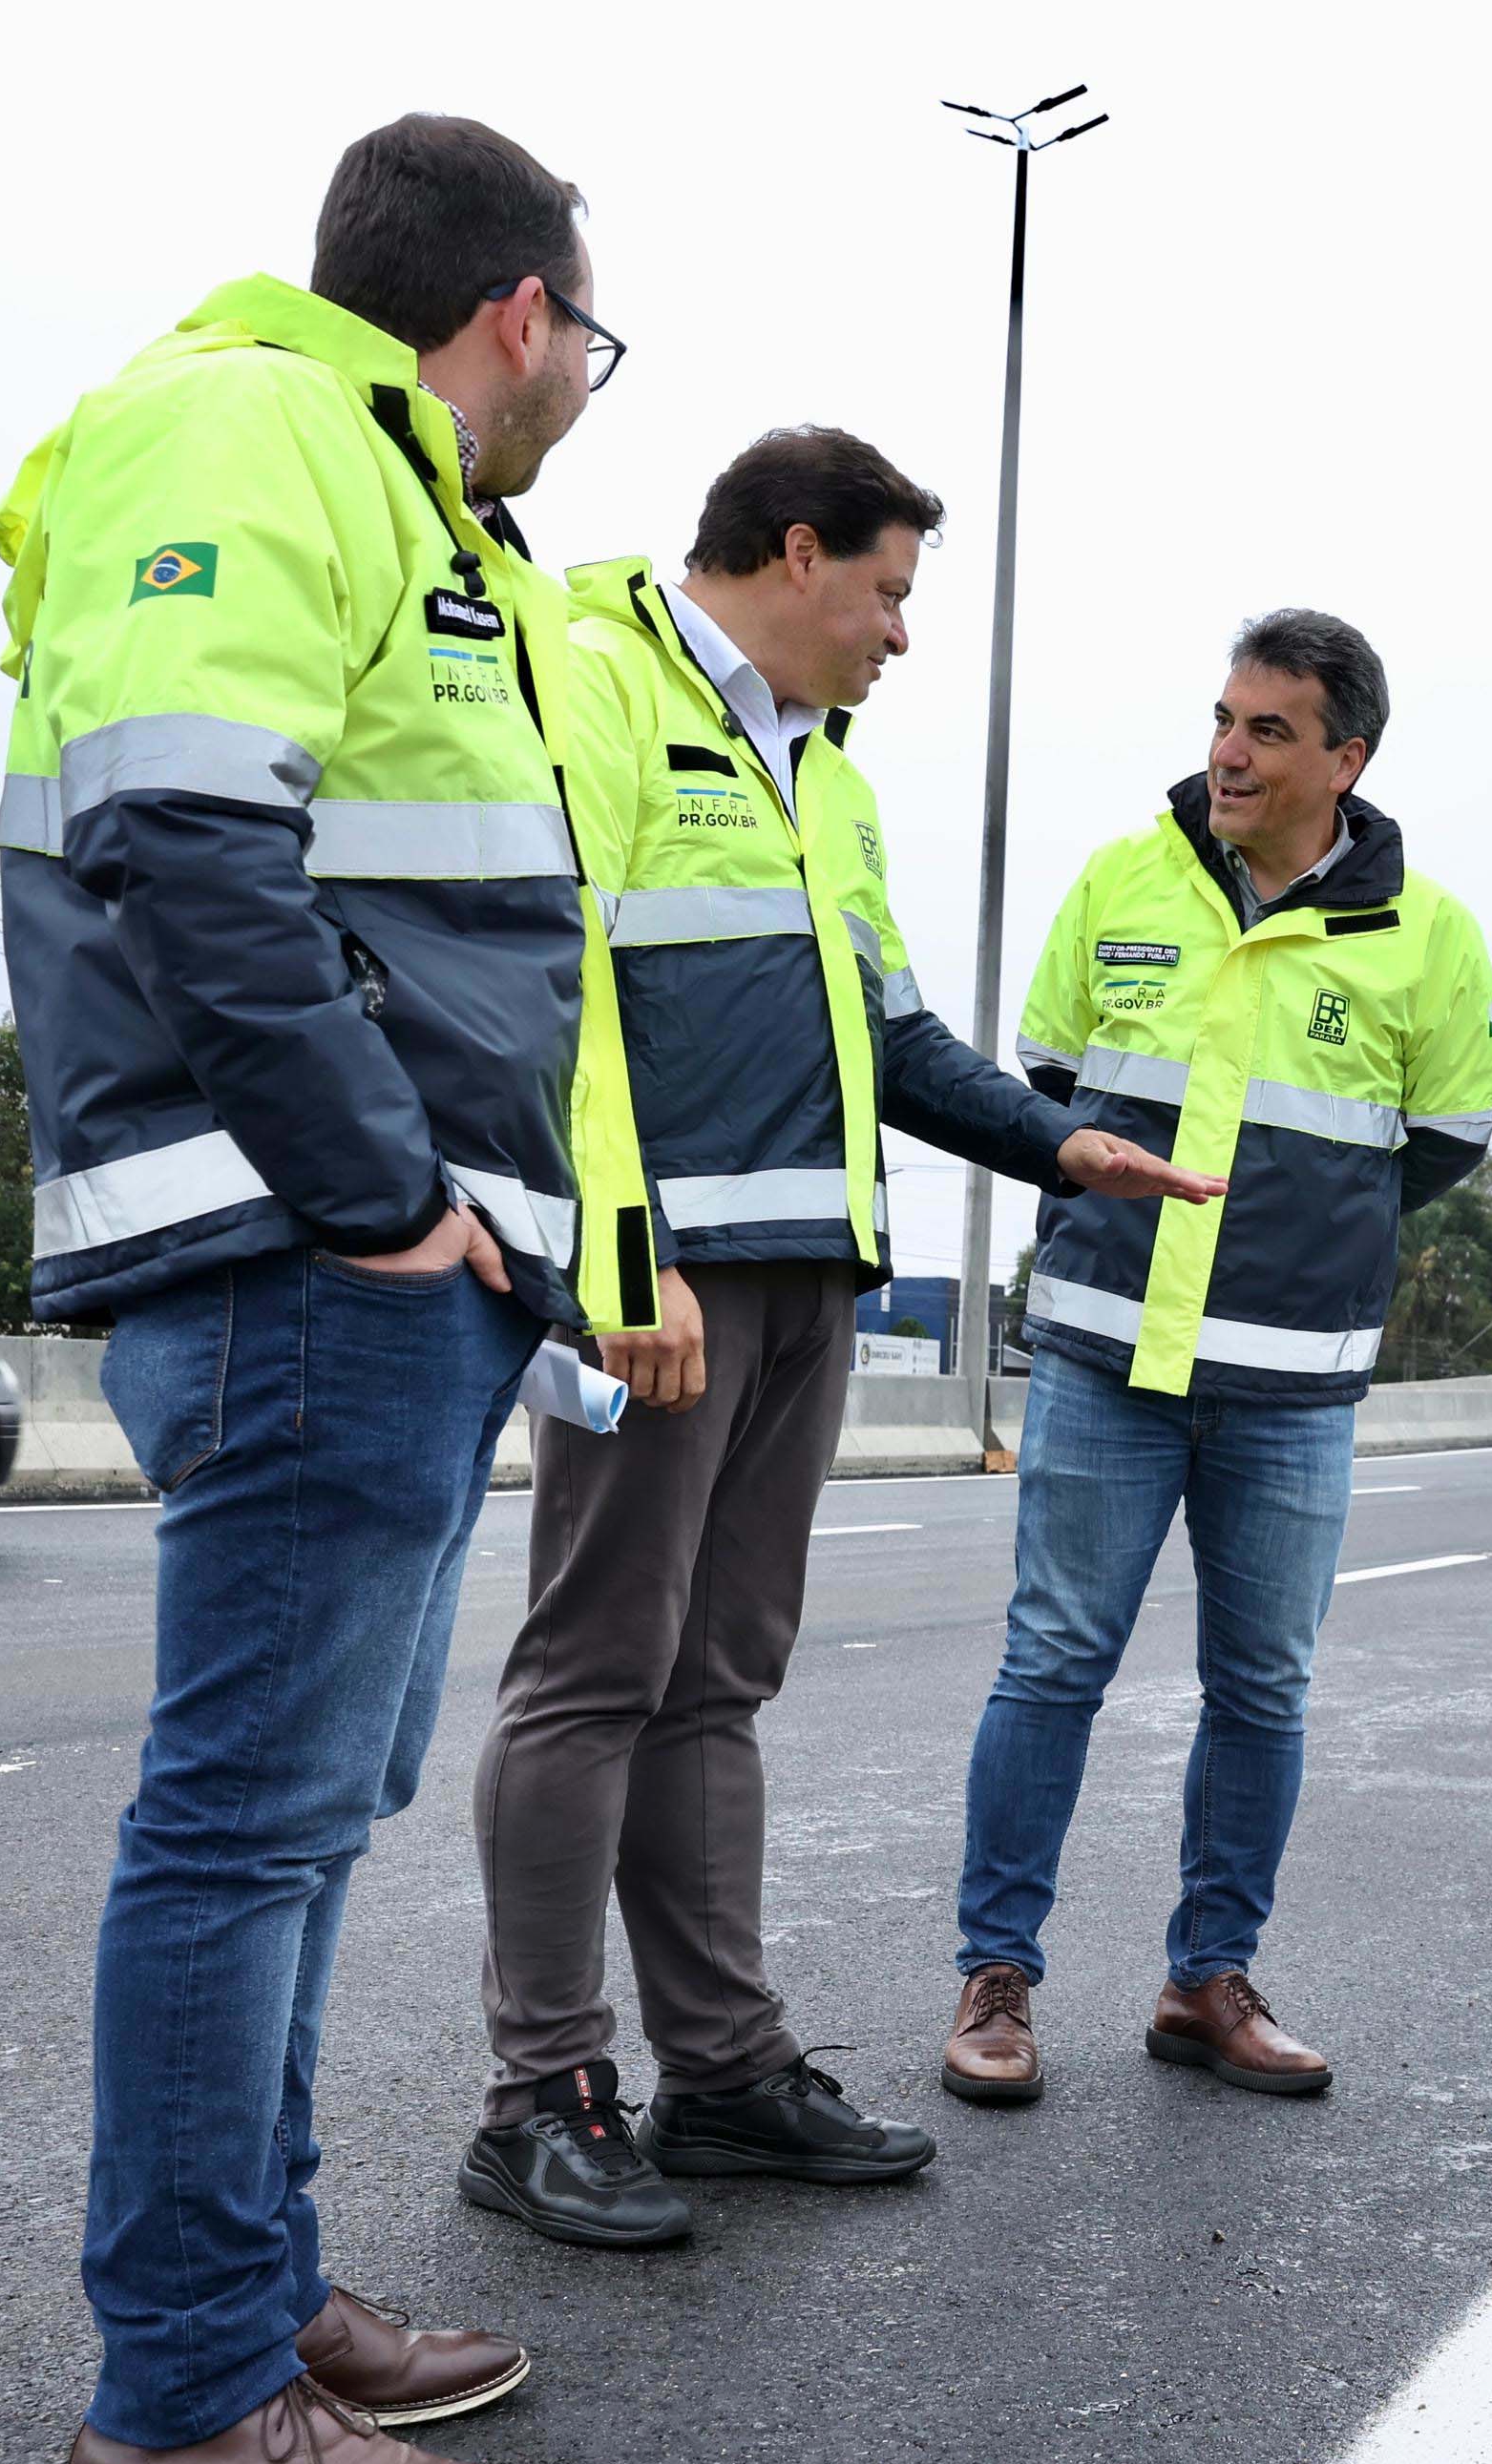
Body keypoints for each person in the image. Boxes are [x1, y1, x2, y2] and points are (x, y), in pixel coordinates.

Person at [0, 115, 656, 2464]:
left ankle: (249, 2302)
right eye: (589, 339)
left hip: (388, 1269)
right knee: (239, 1820)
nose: (587, 382)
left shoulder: (392, 491)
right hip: (301, 1256)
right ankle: (176, 2403)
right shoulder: (249, 424)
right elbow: (184, 837)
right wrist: (378, 1200)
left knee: (300, 1818)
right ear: (517, 311)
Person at [461, 429, 1216, 2250]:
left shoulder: (833, 782)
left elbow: (894, 1035)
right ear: (796, 556)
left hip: (811, 1276)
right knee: (593, 1671)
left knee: (717, 1681)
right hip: (668, 1285)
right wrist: (619, 1257)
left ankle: (721, 2071)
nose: (897, 633)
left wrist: (1062, 1141)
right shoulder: (600, 681)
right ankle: (540, 2094)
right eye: (885, 591)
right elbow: (545, 993)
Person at [936, 611, 1492, 2106]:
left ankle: (1209, 1976)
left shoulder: (1428, 933)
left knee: (1263, 1687)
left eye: (1267, 730)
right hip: (1103, 1354)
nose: (1228, 752)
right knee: (1052, 1663)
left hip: (1291, 1385)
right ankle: (996, 1979)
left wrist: (1296, 1249)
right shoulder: (1123, 876)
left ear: (1346, 756)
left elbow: (1438, 1142)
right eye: (1222, 719)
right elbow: (1048, 1091)